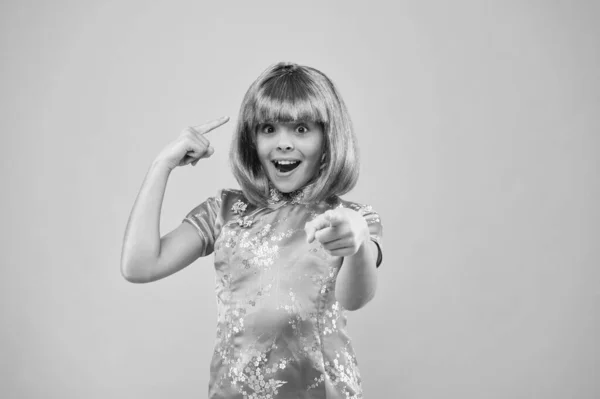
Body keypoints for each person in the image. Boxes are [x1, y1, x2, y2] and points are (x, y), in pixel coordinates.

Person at [121, 62, 383, 399]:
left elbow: (355, 298)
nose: (283, 143)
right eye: (269, 128)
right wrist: (162, 166)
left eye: (301, 129)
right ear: (252, 139)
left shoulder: (348, 218)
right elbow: (140, 266)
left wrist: (358, 240)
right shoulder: (226, 211)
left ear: (327, 140)